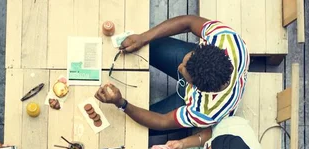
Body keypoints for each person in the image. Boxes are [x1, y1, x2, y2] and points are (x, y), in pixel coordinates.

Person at [94, 16, 249, 142]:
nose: (179, 68)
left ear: (196, 89)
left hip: (201, 100)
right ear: (206, 47)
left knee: (142, 126)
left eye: (183, 73)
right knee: (149, 44)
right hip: (203, 73)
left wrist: (121, 103)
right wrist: (143, 37)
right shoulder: (226, 39)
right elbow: (188, 22)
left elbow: (162, 121)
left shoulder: (205, 112)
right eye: (184, 62)